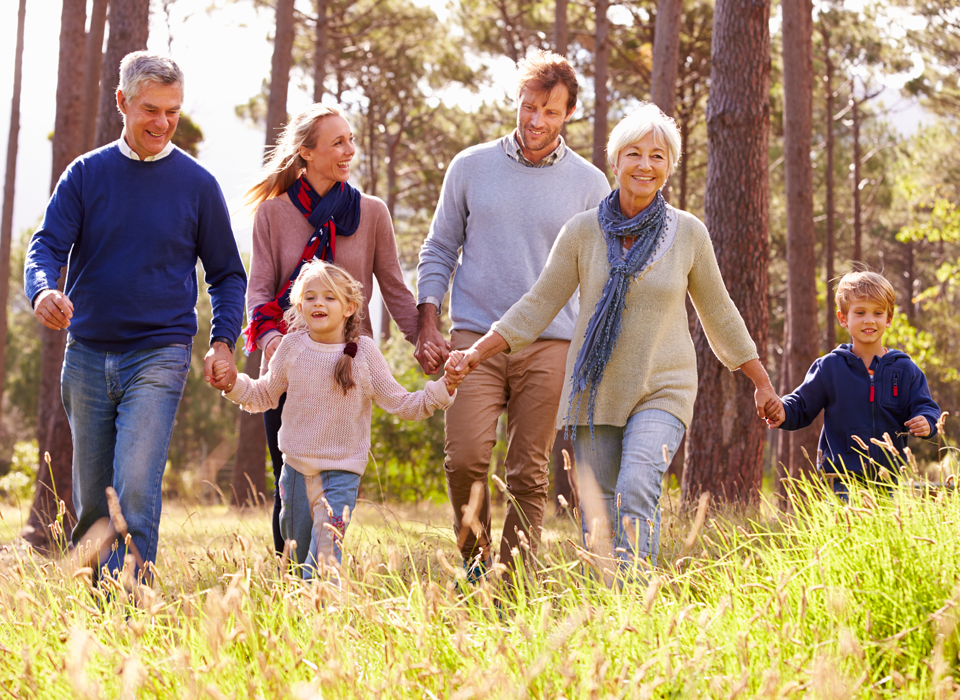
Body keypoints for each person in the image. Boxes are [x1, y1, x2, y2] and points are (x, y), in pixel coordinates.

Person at [445, 102, 780, 574]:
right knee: (599, 510)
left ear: (669, 167)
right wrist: (477, 351)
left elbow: (719, 312)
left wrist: (760, 380)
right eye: (635, 154)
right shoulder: (582, 233)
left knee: (639, 483)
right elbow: (539, 304)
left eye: (658, 156)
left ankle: (635, 604)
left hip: (663, 386)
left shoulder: (688, 233)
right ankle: (610, 610)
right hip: (597, 390)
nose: (645, 165)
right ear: (616, 161)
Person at [24, 52, 246, 577]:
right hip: (87, 355)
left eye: (172, 111)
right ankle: (99, 607)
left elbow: (227, 274)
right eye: (151, 109)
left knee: (137, 486)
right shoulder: (86, 174)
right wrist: (40, 292)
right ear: (122, 102)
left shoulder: (197, 185)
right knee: (95, 498)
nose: (163, 123)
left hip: (160, 352)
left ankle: (132, 604)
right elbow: (46, 247)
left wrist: (221, 341)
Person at [416, 50, 611, 576]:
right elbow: (439, 248)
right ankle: (476, 566)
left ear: (568, 113)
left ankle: (516, 579)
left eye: (550, 112)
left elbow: (599, 275)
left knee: (528, 472)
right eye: (528, 107)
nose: (535, 121)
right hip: (473, 338)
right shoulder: (470, 166)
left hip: (551, 342)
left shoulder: (590, 185)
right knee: (465, 458)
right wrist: (427, 320)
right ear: (517, 102)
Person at [243, 103, 425, 560]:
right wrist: (275, 347)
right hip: (291, 365)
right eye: (338, 142)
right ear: (306, 152)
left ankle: (324, 576)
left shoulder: (372, 212)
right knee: (289, 482)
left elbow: (395, 288)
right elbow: (260, 292)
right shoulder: (273, 214)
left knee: (338, 481)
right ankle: (289, 581)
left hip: (347, 365)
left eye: (351, 140)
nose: (350, 150)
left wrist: (422, 341)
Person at [215, 262, 457, 576]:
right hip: (296, 474)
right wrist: (233, 384)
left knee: (324, 561)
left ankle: (325, 617)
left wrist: (444, 387)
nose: (319, 303)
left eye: (329, 298)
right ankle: (304, 619)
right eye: (311, 297)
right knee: (299, 560)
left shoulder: (364, 354)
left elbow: (404, 404)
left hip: (341, 476)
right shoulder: (291, 348)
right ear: (300, 306)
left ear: (349, 307)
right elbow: (263, 395)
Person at [768, 270, 941, 497]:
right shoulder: (829, 367)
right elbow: (801, 404)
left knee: (886, 532)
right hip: (842, 478)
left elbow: (926, 406)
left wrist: (927, 422)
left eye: (877, 313)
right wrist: (781, 411)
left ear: (888, 319)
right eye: (860, 312)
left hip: (888, 480)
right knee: (846, 531)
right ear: (843, 318)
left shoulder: (905, 369)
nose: (869, 320)